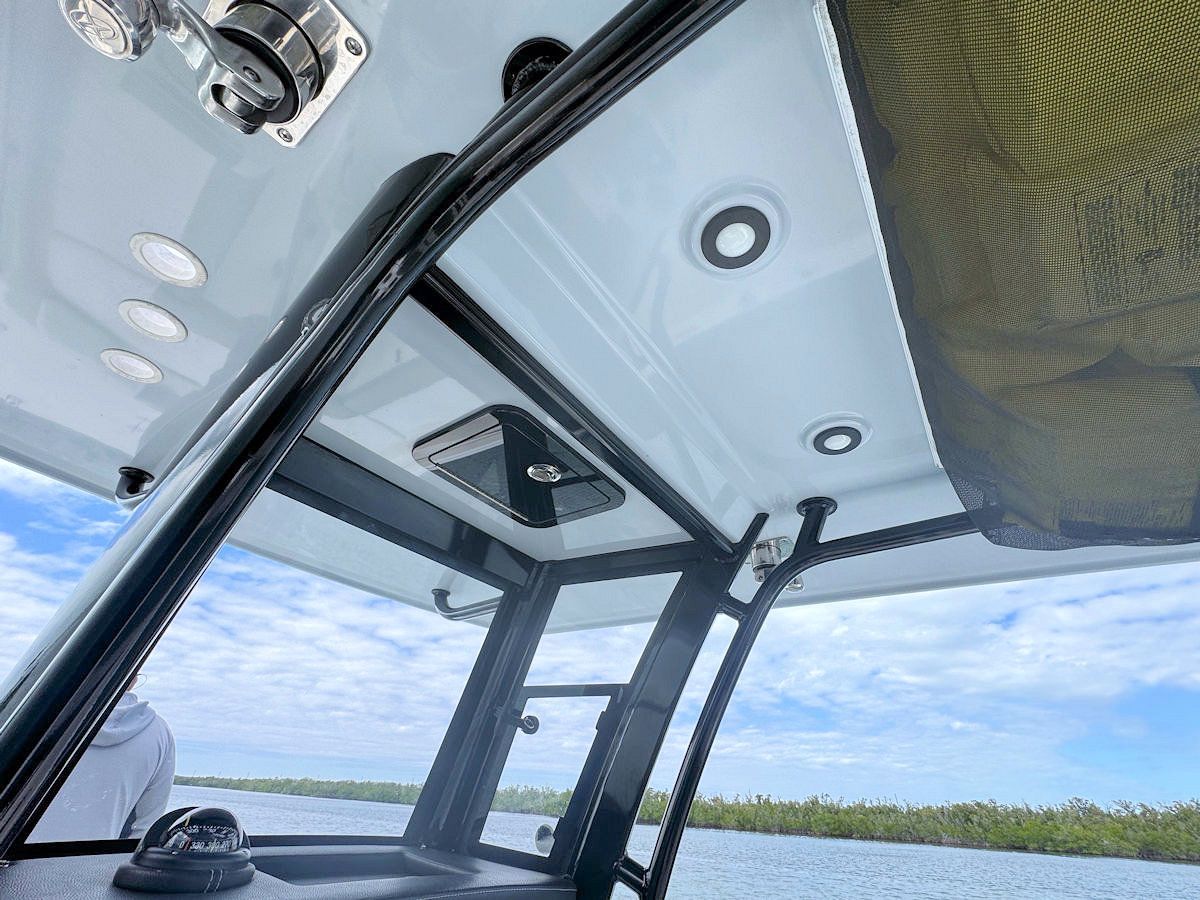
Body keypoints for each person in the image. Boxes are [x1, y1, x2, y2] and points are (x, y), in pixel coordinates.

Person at [30, 683, 175, 842]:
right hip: (93, 864)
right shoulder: (160, 732)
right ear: (134, 677)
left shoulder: (34, 712)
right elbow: (145, 830)